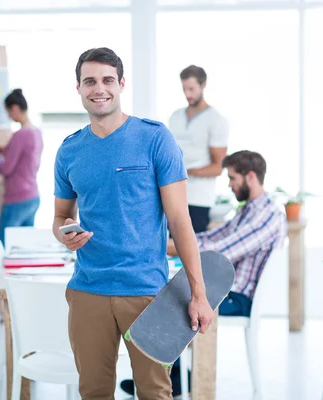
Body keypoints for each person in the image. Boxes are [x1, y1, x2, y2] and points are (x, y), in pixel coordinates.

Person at [53, 47, 214, 400]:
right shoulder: (69, 151)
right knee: (93, 392)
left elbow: (179, 221)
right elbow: (59, 216)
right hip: (87, 291)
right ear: (78, 88)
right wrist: (65, 233)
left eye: (108, 80)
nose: (99, 88)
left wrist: (198, 294)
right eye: (90, 81)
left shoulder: (155, 138)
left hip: (145, 292)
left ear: (121, 84)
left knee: (155, 393)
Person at [120, 150, 287, 397]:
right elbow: (213, 237)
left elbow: (222, 252)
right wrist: (176, 240)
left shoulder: (267, 215)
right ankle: (167, 376)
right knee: (173, 292)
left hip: (236, 298)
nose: (230, 185)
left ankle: (161, 380)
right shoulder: (249, 209)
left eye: (232, 178)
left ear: (250, 177)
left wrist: (174, 247)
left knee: (174, 300)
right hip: (227, 291)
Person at [169, 65, 229, 233]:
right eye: (184, 89)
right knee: (168, 247)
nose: (188, 94)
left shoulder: (215, 120)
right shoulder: (175, 116)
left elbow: (218, 167)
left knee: (194, 251)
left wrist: (185, 172)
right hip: (172, 196)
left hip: (199, 198)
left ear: (203, 85)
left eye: (192, 89)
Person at [0, 89, 43, 246]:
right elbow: (26, 157)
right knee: (24, 247)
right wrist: (5, 149)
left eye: (8, 112)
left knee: (0, 246)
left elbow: (6, 169)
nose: (9, 116)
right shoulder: (36, 132)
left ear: (15, 108)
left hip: (17, 199)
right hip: (32, 197)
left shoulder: (20, 135)